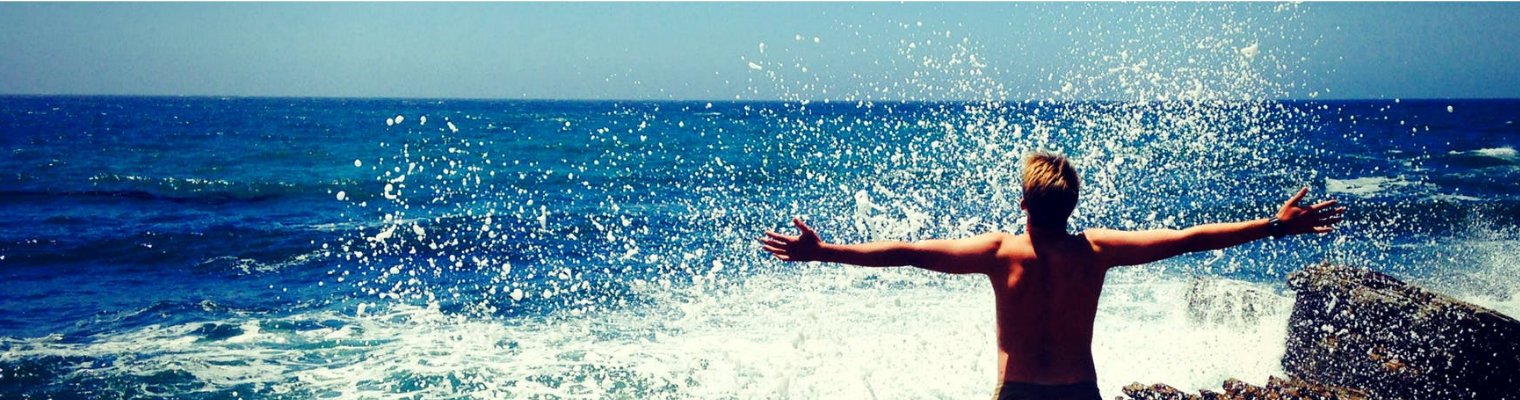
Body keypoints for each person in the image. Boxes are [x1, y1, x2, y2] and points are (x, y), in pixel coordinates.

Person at [759, 151, 1345, 400]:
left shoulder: (999, 252)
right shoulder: (1096, 251)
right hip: (1078, 392)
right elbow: (1190, 239)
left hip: (1017, 393)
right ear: (1072, 204)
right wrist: (1274, 225)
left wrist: (823, 252)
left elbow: (907, 252)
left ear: (1023, 202)